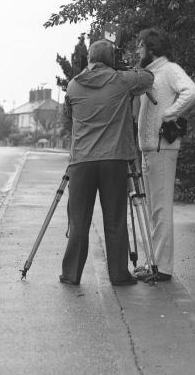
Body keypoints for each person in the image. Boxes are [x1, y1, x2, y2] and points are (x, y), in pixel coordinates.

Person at [60, 38, 154, 286]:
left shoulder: (73, 85)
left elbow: (68, 116)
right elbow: (148, 78)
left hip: (81, 161)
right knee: (115, 219)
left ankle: (71, 274)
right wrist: (124, 67)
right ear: (111, 59)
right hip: (114, 160)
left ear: (90, 59)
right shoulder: (121, 80)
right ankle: (119, 275)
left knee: (78, 220)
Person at [135, 28, 195, 283]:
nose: (138, 50)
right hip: (150, 149)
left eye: (141, 45)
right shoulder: (151, 73)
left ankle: (161, 268)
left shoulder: (170, 69)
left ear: (152, 48)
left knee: (160, 209)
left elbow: (192, 92)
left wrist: (168, 114)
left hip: (161, 148)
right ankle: (153, 262)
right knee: (154, 210)